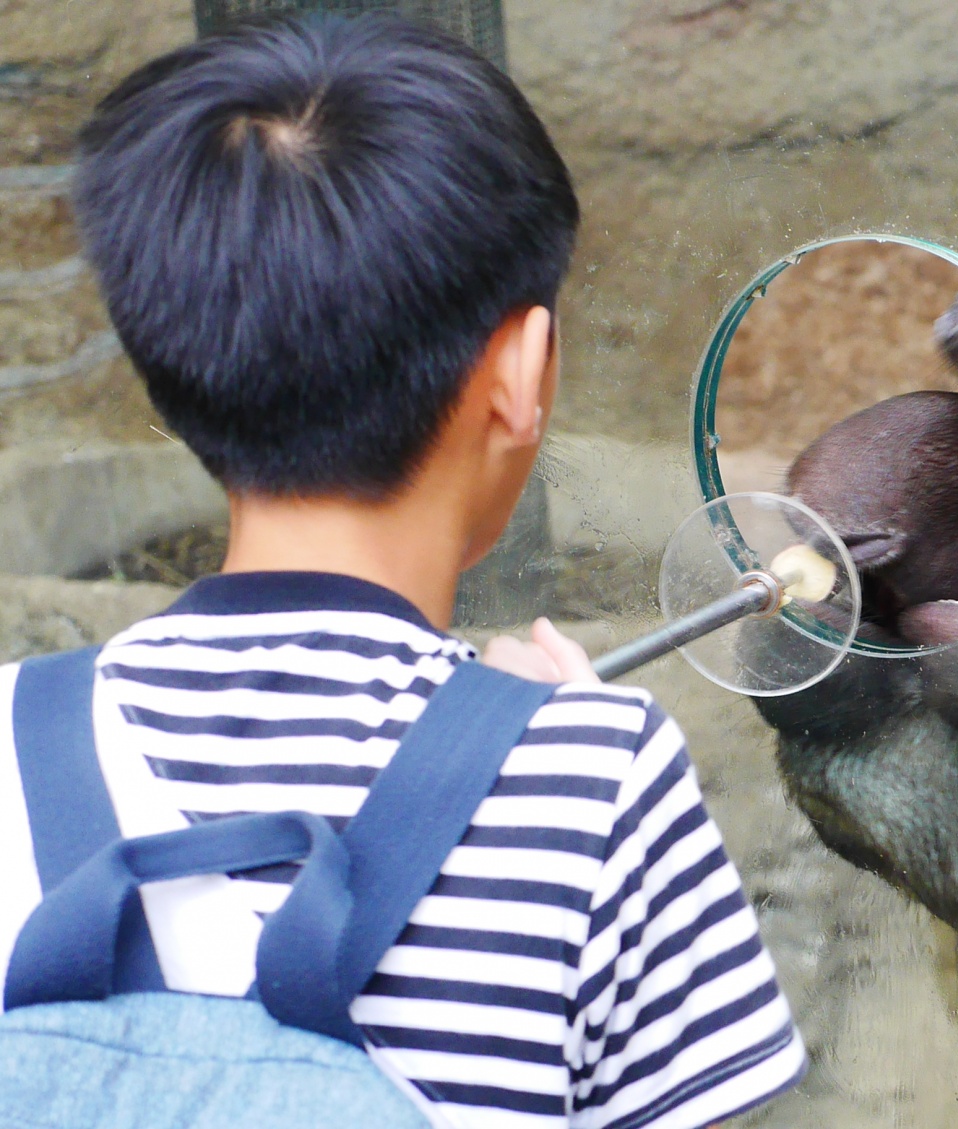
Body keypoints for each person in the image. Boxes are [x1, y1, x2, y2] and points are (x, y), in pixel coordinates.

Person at [0, 14, 804, 1129]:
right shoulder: (601, 780)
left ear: (163, 362)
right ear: (521, 373)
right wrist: (547, 752)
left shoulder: (7, 733)